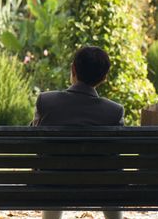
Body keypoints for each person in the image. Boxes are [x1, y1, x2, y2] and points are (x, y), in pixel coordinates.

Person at [31, 46, 124, 219]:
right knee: (110, 181)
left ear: (73, 68)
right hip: (100, 186)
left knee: (54, 176)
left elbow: (33, 140)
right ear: (104, 77)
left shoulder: (46, 101)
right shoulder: (114, 111)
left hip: (52, 183)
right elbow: (115, 157)